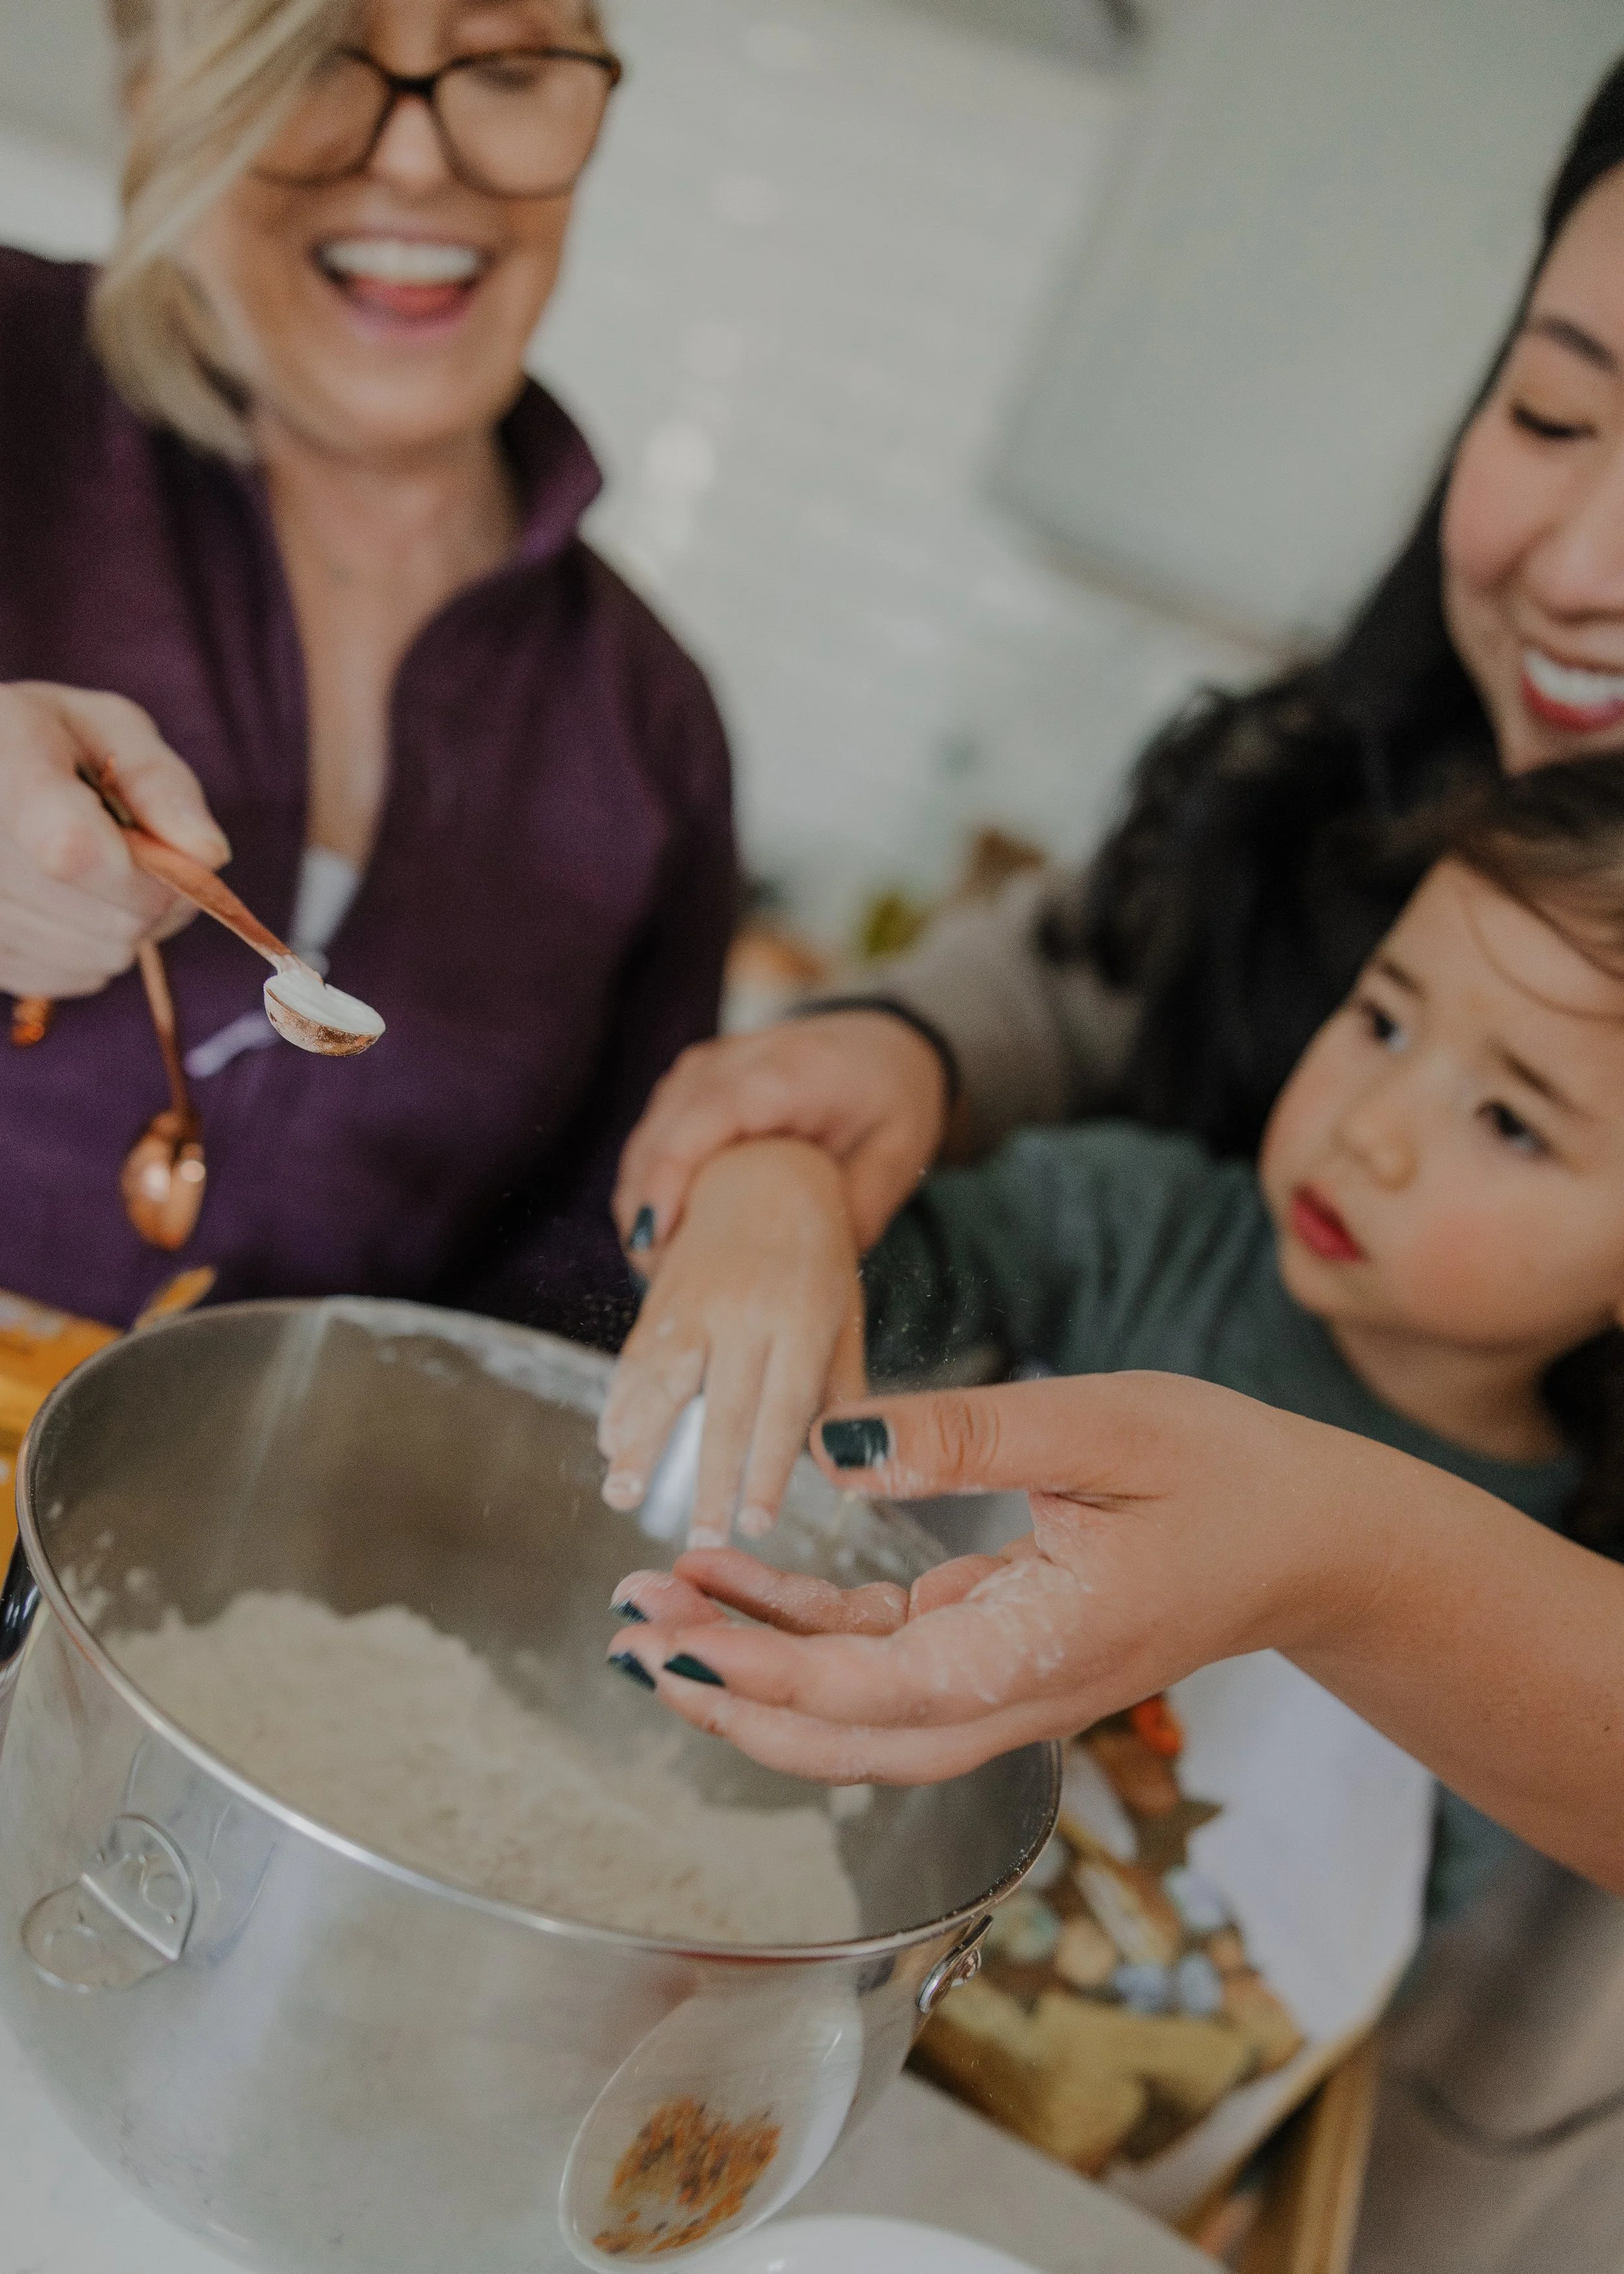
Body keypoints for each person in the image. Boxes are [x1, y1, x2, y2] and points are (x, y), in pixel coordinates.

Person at [601, 756, 1624, 1915]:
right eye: (1384, 1022)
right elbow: (863, 1286)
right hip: (797, 1901)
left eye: (1509, 1121)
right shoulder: (1141, 1229)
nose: (1372, 1130)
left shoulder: (1573, 1582)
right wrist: (778, 1181)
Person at [0, 0, 735, 1341]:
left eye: (506, 65)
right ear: (152, 81)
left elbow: (572, 1285)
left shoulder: (651, 727)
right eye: (320, 54)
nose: (415, 162)